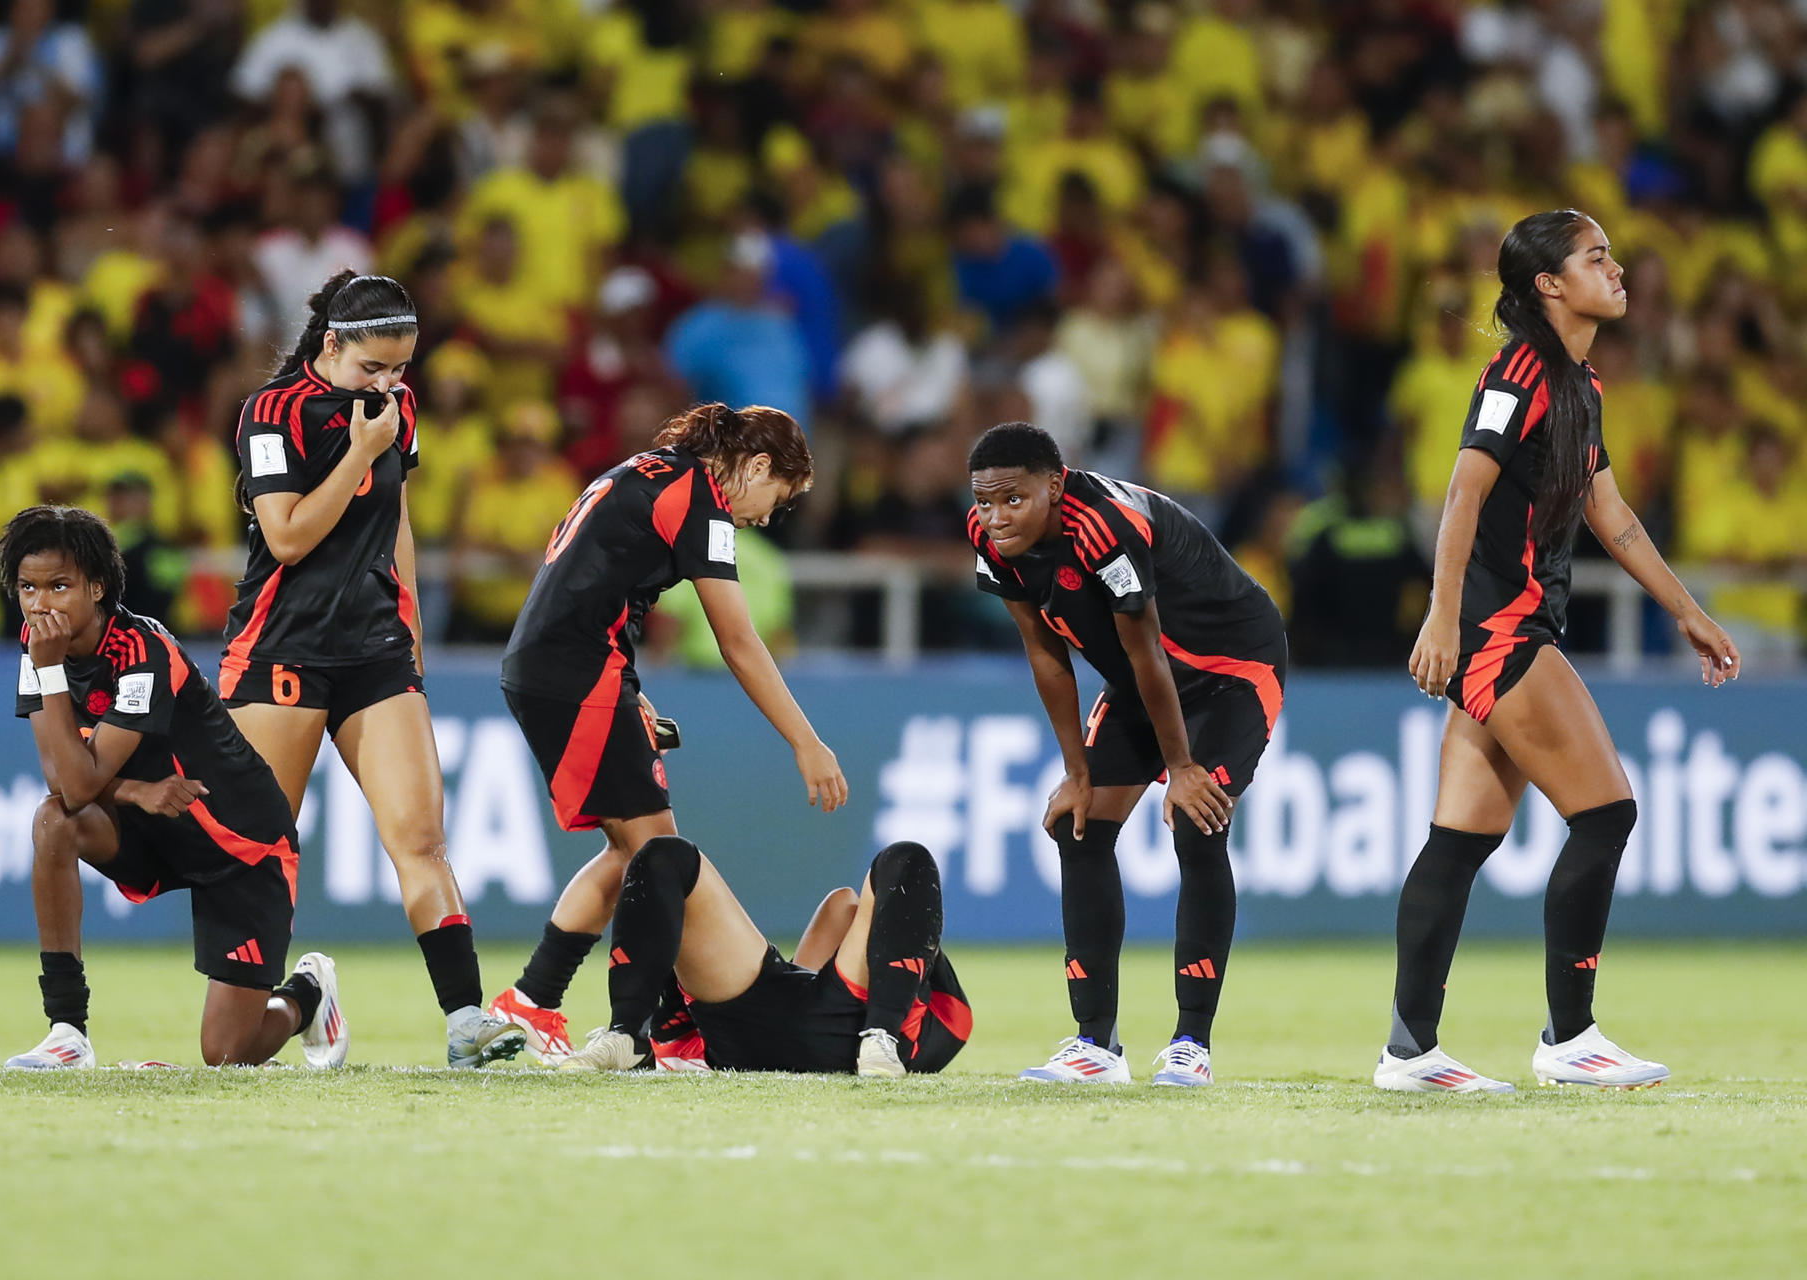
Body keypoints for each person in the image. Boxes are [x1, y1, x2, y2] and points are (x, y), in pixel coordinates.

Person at [1376, 211, 1741, 1094]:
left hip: (1507, 624)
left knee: (1457, 842)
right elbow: (1462, 494)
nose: (1617, 271)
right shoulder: (1522, 370)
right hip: (1500, 627)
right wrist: (1443, 617)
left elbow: (1611, 516)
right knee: (1606, 813)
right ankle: (1569, 1038)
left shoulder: (1579, 384)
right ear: (1549, 284)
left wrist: (1688, 610)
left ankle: (1408, 1052)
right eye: (1597, 257)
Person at [222, 269, 525, 1069]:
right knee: (258, 851)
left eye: (400, 370)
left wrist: (413, 629)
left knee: (421, 839)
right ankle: (301, 996)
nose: (388, 384)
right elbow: (286, 537)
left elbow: (396, 524)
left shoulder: (397, 412)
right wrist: (360, 450)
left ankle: (466, 1021)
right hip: (281, 649)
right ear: (332, 344)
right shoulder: (271, 413)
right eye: (373, 369)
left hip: (373, 653)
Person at [487, 401, 849, 1062]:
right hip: (577, 673)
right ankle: (592, 1013)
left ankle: (545, 1002)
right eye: (777, 498)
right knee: (660, 861)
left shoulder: (648, 473)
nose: (767, 516)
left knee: (643, 856)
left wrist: (629, 688)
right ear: (759, 464)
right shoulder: (702, 502)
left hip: (563, 667)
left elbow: (593, 581)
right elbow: (738, 640)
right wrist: (806, 741)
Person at [966, 422, 1286, 1087]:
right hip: (1148, 681)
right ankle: (1095, 1045)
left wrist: (1184, 768)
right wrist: (1076, 773)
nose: (996, 517)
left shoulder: (1106, 527)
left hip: (1228, 670)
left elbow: (1146, 649)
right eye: (985, 501)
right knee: (1075, 825)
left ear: (1054, 485)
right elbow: (1045, 653)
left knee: (1199, 823)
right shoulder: (991, 541)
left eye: (1012, 500)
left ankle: (1190, 1044)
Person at [0, 505, 345, 1071]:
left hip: (237, 841)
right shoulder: (39, 648)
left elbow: (82, 782)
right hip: (148, 822)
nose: (42, 604)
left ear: (99, 586)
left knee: (228, 1054)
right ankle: (67, 1031)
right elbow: (63, 785)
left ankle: (306, 995)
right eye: (28, 587)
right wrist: (134, 793)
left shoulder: (143, 653)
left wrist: (52, 673)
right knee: (51, 822)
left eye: (60, 585)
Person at [557, 837, 971, 1078]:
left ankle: (628, 1031)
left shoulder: (931, 996)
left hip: (747, 1035)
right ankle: (627, 1033)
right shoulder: (934, 1004)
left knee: (902, 861)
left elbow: (888, 928)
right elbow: (851, 915)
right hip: (804, 1027)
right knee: (665, 853)